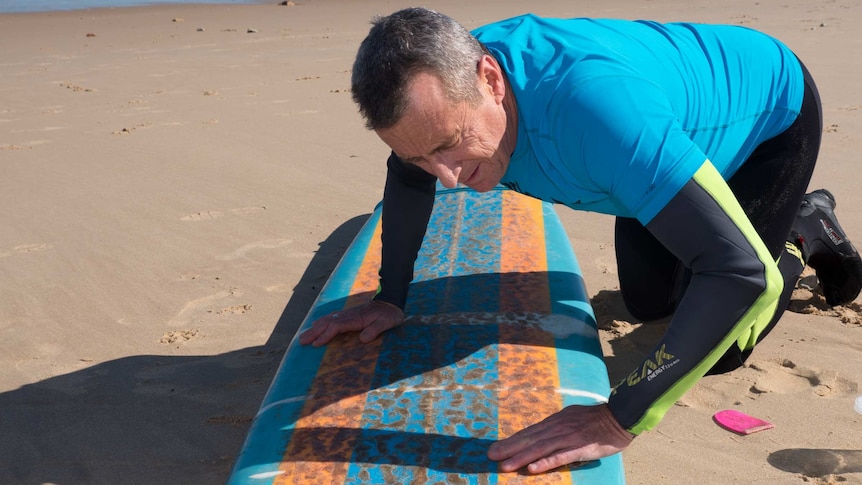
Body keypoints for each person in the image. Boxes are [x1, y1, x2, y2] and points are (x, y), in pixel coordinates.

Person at [299, 7, 862, 474]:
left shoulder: (595, 113)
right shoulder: (444, 100)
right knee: (650, 305)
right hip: (649, 145)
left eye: (448, 145)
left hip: (764, 116)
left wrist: (618, 417)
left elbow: (740, 274)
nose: (445, 178)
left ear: (491, 81)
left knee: (725, 344)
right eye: (418, 153)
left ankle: (800, 231)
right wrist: (390, 295)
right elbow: (408, 176)